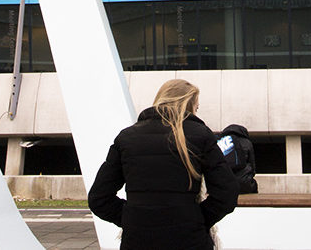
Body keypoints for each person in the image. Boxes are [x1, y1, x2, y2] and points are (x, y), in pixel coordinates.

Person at [88, 79, 240, 250]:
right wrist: (197, 218)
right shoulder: (200, 135)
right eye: (196, 108)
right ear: (188, 107)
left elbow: (99, 198)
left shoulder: (127, 138)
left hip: (138, 240)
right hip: (189, 239)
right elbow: (227, 193)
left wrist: (131, 219)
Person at [217, 124, 258, 194]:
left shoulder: (221, 143)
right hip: (244, 184)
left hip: (224, 185)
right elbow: (252, 166)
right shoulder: (247, 142)